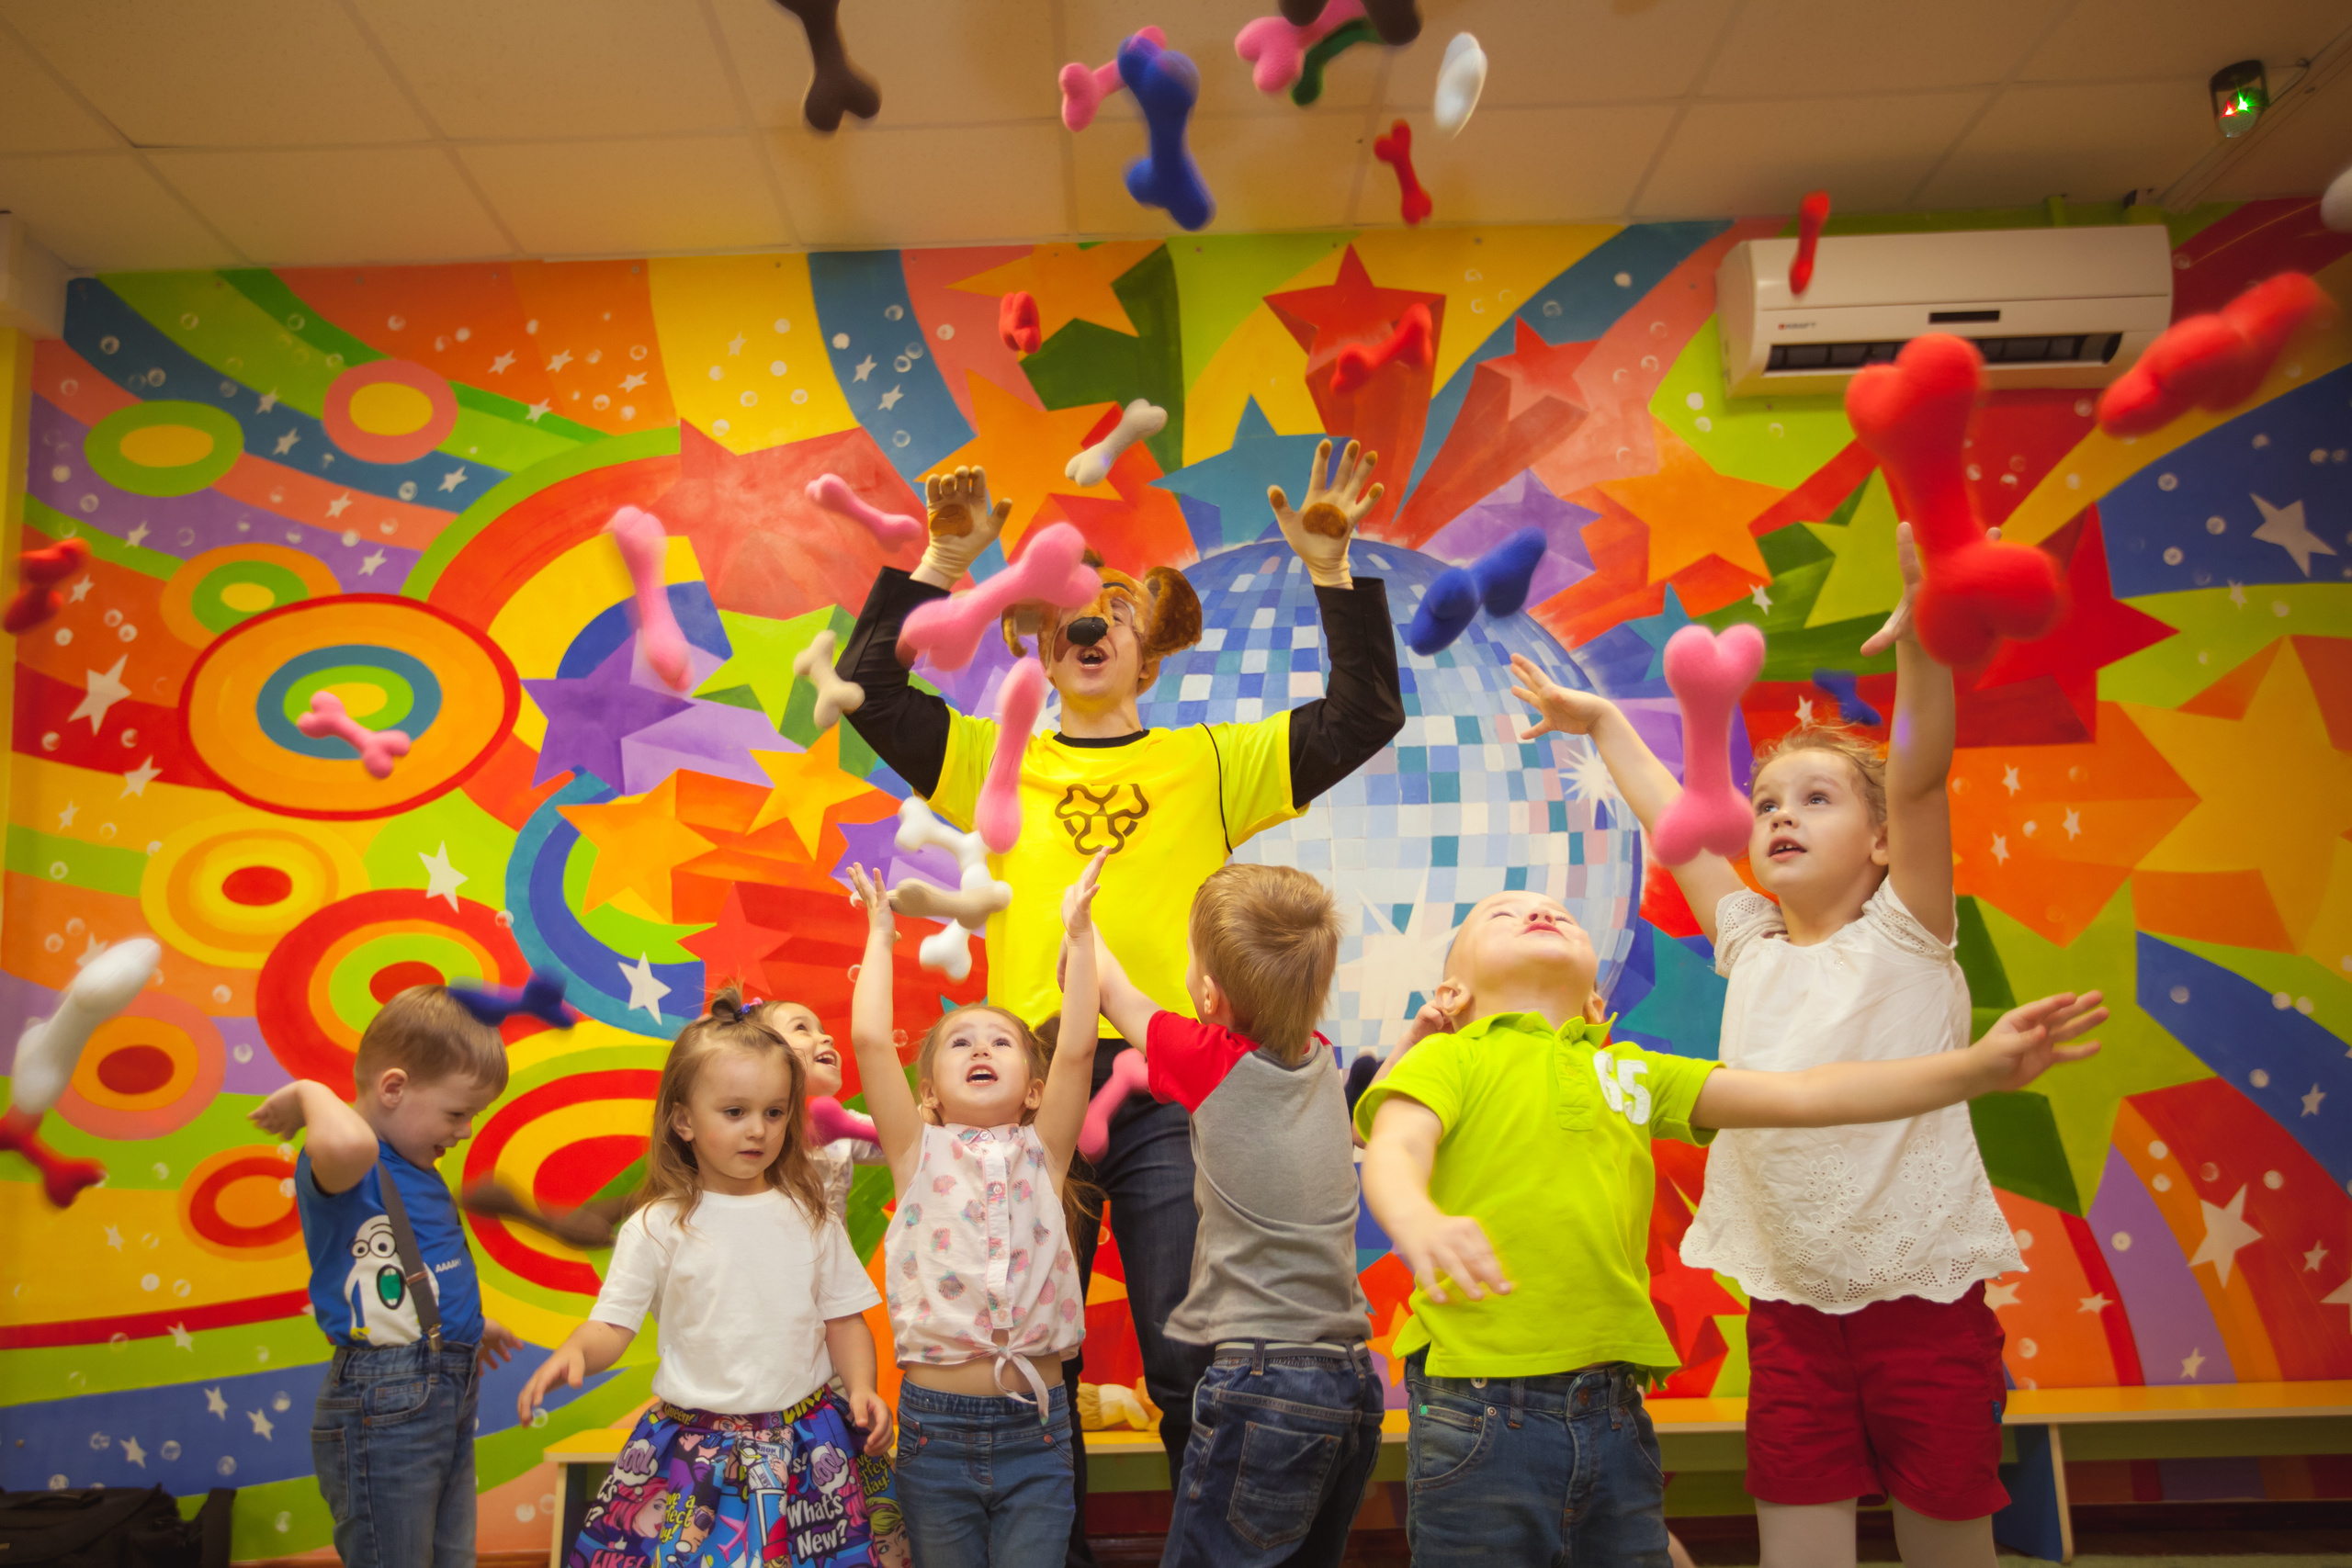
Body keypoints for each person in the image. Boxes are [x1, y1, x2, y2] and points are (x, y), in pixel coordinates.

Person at [834, 442, 1405, 1563]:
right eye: (1067, 621)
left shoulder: (1207, 760)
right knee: (1031, 1360)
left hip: (1166, 1076)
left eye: (1114, 617)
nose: (1090, 632)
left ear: (1151, 647)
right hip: (1028, 1089)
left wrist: (1335, 578)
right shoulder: (997, 760)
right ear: (1040, 648)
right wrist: (942, 561)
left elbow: (1361, 714)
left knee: (1187, 1353)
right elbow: (872, 690)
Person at [1511, 523, 2045, 1568]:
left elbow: (1924, 780)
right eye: (1764, 805)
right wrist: (1606, 724)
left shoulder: (1907, 928)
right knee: (1798, 1541)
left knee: (1949, 1544)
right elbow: (1680, 827)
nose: (1777, 817)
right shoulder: (1751, 945)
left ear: (1881, 840)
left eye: (1816, 799)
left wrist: (1924, 649)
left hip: (1922, 1311)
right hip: (1790, 1314)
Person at [1354, 881, 2104, 1565]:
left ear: (1594, 1004)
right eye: (1503, 912)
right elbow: (1394, 1147)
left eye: (1559, 911)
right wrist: (1417, 1216)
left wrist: (1975, 1069)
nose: (1539, 910)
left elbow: (1808, 1094)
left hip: (1614, 1410)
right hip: (1478, 1409)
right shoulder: (1448, 1060)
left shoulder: (1631, 1074)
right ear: (1452, 991)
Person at [516, 993, 905, 1568]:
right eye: (734, 1112)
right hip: (695, 1451)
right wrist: (577, 1350)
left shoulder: (811, 1216)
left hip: (807, 1441)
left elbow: (843, 1319)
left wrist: (864, 1386)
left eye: (775, 1113)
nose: (758, 1131)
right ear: (683, 1120)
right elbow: (612, 1325)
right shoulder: (656, 1225)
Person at [1091, 862, 1382, 1568]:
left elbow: (1115, 992)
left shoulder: (1211, 1060)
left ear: (1209, 995)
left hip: (1264, 1383)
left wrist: (1078, 915)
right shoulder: (1319, 1058)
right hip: (1351, 1379)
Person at [843, 853, 1107, 1565]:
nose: (981, 1046)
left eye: (1000, 1042)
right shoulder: (916, 1150)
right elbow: (871, 1040)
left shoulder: (1044, 1150)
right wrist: (880, 934)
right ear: (928, 1090)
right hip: (936, 1429)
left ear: (1032, 1087)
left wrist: (1079, 939)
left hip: (1037, 1427)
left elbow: (1080, 1047)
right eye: (961, 1041)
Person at [253, 986, 522, 1568]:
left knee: (452, 1555)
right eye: (457, 1113)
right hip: (383, 1395)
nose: (466, 1130)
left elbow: (410, 1268)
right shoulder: (352, 1160)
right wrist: (308, 1092)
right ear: (393, 1088)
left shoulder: (417, 1169)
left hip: (441, 1384)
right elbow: (345, 1135)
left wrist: (472, 1325)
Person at [754, 996, 885, 1223]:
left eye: (822, 1030)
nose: (828, 1037)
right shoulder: (749, 1127)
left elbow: (904, 1140)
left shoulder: (839, 1122)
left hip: (833, 1257)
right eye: (801, 1028)